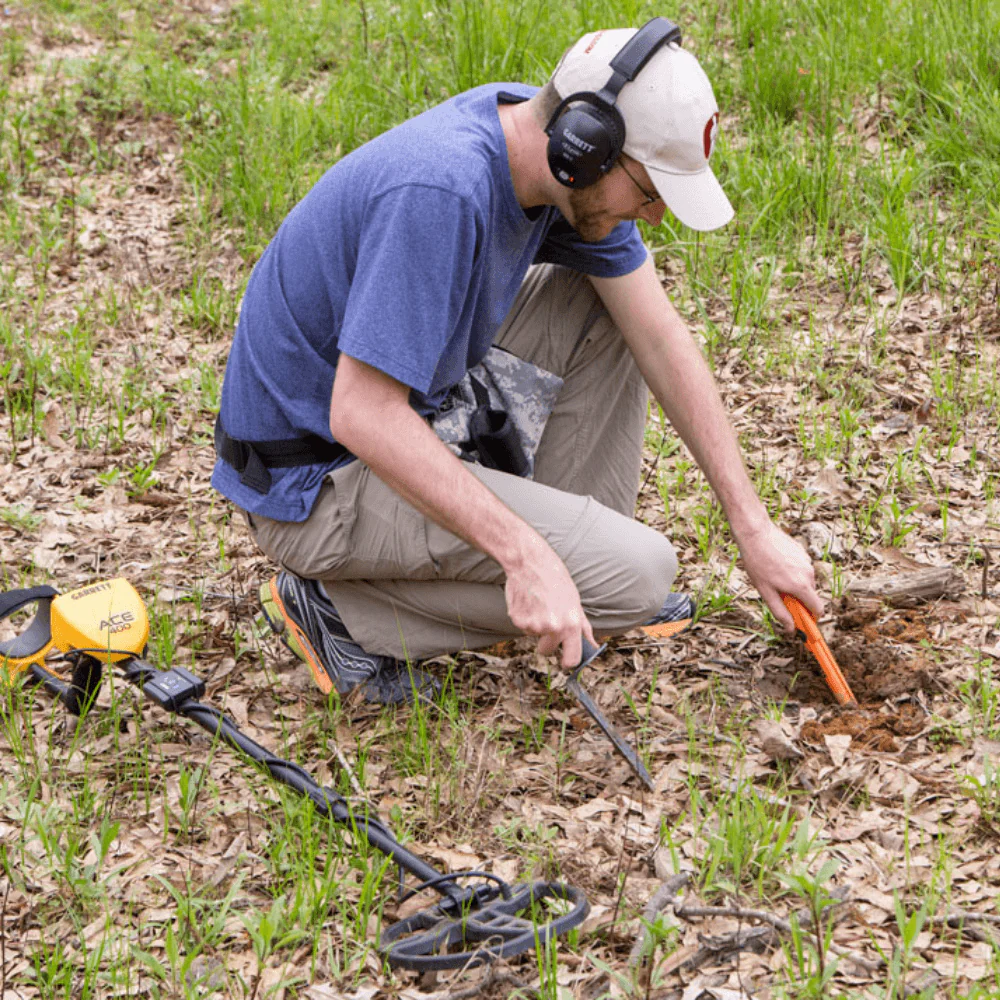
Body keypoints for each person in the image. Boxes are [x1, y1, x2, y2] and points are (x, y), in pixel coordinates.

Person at [212, 19, 822, 706]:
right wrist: (526, 556)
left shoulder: (532, 155)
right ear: (583, 147)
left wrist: (753, 525)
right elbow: (362, 413)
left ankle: (585, 574)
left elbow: (658, 335)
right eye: (648, 192)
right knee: (641, 575)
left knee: (607, 309)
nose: (652, 216)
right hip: (312, 483)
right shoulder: (442, 190)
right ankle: (339, 612)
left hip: (388, 414)